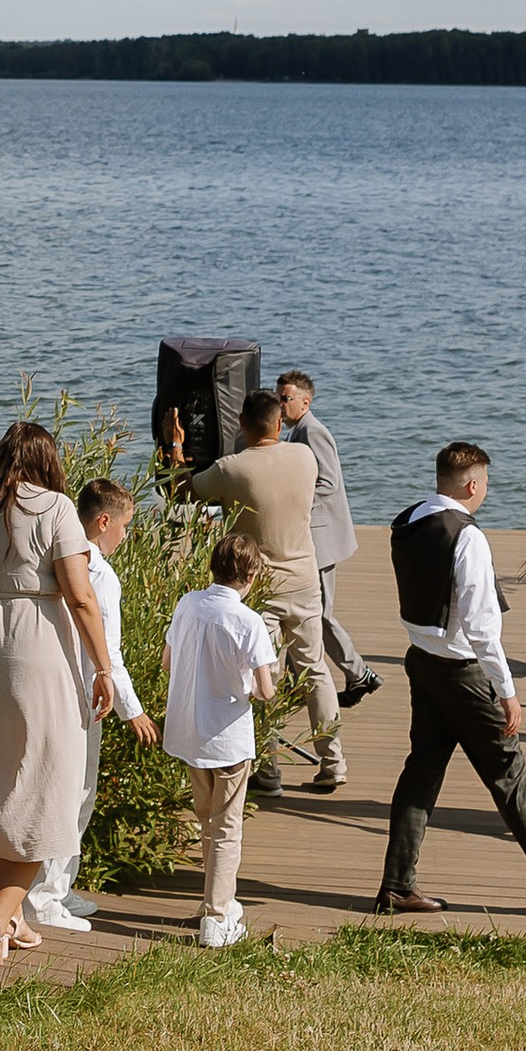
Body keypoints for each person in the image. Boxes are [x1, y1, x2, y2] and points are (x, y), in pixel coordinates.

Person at [372, 439, 526, 919]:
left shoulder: (411, 519)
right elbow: (482, 629)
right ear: (473, 484)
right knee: (509, 773)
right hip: (462, 671)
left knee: (420, 773)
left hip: (422, 659)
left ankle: (398, 886)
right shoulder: (467, 536)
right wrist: (508, 692)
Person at [0, 421, 117, 966]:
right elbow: (82, 598)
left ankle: (11, 917)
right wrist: (103, 669)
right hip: (35, 647)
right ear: (46, 461)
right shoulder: (57, 509)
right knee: (46, 783)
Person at [169, 387, 344, 793]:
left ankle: (267, 772)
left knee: (262, 673)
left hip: (258, 587)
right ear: (280, 424)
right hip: (304, 579)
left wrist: (177, 444)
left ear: (240, 426)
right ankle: (333, 762)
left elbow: (183, 490)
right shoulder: (304, 457)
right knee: (315, 669)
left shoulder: (233, 468)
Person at [27, 473, 157, 934]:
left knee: (57, 792)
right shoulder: (98, 574)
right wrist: (133, 709)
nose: (126, 535)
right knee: (74, 796)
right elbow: (107, 649)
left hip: (50, 688)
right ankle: (44, 900)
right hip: (84, 695)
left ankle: (56, 886)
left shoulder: (55, 556)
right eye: (124, 526)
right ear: (103, 522)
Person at [162, 532, 280, 952]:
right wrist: (251, 681)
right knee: (228, 825)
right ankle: (217, 914)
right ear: (250, 576)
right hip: (227, 736)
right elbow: (266, 690)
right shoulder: (249, 621)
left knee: (207, 819)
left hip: (189, 732)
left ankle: (215, 898)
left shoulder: (188, 604)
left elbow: (168, 661)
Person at [280, 370, 377, 703]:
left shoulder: (313, 432)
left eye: (285, 399)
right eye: (278, 398)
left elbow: (329, 483)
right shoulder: (296, 433)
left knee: (318, 614)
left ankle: (359, 673)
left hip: (321, 539)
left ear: (305, 401)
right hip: (312, 539)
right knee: (306, 613)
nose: (280, 406)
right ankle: (298, 681)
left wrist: (293, 503)